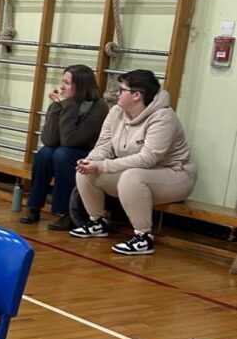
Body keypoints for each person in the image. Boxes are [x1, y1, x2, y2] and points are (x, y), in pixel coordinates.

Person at [70, 69, 196, 256]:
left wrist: (103, 165)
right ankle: (97, 222)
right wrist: (91, 161)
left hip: (176, 175)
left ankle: (143, 237)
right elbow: (104, 145)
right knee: (87, 171)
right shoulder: (116, 112)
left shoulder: (163, 117)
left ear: (136, 95)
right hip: (139, 173)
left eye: (122, 90)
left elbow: (148, 158)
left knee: (132, 177)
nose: (117, 93)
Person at [19, 64, 108, 230]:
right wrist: (55, 107)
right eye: (62, 82)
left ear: (80, 86)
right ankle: (33, 206)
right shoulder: (63, 102)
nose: (62, 87)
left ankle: (68, 213)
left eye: (67, 83)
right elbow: (48, 139)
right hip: (63, 150)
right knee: (45, 153)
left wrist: (68, 106)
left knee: (62, 153)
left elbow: (71, 140)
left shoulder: (99, 108)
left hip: (87, 154)